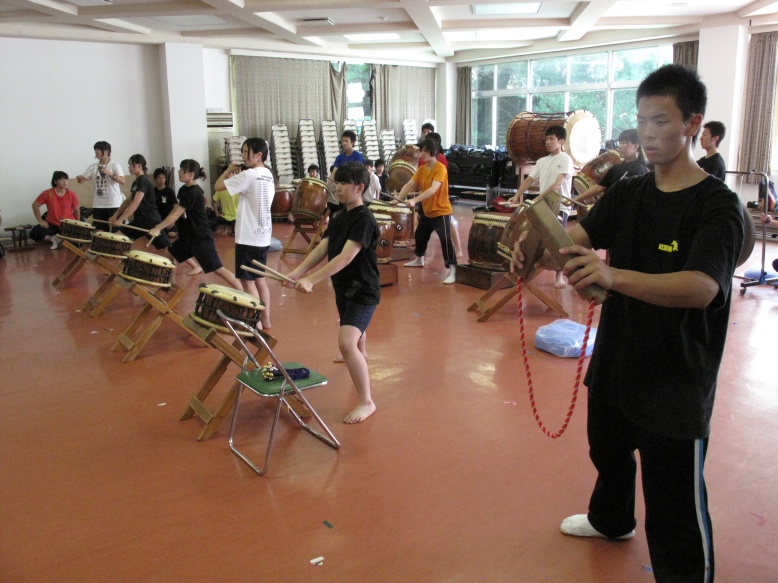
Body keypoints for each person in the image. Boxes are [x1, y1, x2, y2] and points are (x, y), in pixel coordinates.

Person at [512, 64, 743, 583]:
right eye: (642, 120)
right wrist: (537, 249)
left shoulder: (717, 206)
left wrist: (613, 276)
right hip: (617, 359)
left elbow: (702, 287)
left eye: (661, 121)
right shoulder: (630, 192)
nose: (648, 132)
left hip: (676, 378)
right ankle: (611, 520)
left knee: (673, 501)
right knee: (608, 453)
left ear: (692, 124)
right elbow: (575, 240)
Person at [286, 162, 379, 424]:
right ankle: (362, 353)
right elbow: (324, 247)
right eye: (337, 182)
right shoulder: (339, 216)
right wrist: (298, 272)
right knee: (355, 335)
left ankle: (367, 402)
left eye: (343, 183)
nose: (337, 187)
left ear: (359, 187)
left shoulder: (364, 219)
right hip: (344, 286)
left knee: (346, 343)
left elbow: (346, 257)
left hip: (363, 289)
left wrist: (312, 280)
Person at [148, 159, 241, 287]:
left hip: (200, 238)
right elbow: (177, 209)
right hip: (187, 238)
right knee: (167, 255)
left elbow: (177, 213)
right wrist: (168, 222)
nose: (179, 172)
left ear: (191, 174)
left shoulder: (194, 192)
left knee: (218, 270)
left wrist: (158, 228)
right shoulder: (183, 190)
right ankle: (170, 286)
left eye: (182, 170)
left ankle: (243, 293)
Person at [214, 138, 274, 330]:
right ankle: (266, 320)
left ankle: (255, 322)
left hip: (248, 238)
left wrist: (228, 170)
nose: (243, 156)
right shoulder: (268, 174)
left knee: (247, 282)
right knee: (260, 280)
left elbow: (217, 186)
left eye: (246, 152)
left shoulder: (248, 175)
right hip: (263, 237)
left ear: (258, 155)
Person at [508, 125, 574, 287]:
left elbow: (557, 184)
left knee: (556, 242)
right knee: (532, 237)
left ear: (561, 141)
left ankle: (559, 276)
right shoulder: (542, 161)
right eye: (546, 139)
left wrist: (538, 198)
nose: (548, 142)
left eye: (552, 139)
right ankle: (528, 268)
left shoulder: (565, 159)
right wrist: (516, 195)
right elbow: (529, 180)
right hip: (542, 207)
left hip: (559, 206)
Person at [397, 138, 457, 284]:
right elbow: (409, 185)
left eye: (424, 151)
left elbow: (433, 189)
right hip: (427, 210)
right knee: (420, 235)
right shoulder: (422, 169)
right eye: (421, 151)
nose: (421, 153)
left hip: (441, 211)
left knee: (445, 239)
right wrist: (398, 199)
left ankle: (453, 270)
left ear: (433, 152)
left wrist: (414, 200)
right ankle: (419, 259)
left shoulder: (440, 168)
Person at [109, 154, 170, 251]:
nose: (129, 167)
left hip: (150, 222)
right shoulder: (136, 182)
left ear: (139, 165)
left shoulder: (144, 181)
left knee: (168, 250)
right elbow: (128, 201)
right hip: (139, 221)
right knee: (118, 238)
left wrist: (120, 219)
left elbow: (135, 203)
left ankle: (190, 262)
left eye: (131, 164)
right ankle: (127, 259)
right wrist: (115, 215)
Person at [576, 129, 648, 208]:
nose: (619, 146)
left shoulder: (638, 170)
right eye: (619, 143)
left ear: (635, 146)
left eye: (623, 143)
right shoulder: (616, 168)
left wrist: (599, 205)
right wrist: (576, 199)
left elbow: (628, 198)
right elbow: (598, 188)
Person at [76, 141, 126, 224]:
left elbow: (123, 181)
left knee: (115, 228)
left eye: (98, 150)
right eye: (95, 150)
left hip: (114, 204)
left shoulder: (115, 165)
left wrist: (110, 174)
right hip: (98, 204)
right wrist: (80, 179)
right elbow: (82, 180)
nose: (96, 152)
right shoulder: (93, 167)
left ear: (106, 151)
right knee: (99, 229)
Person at [32, 171, 80, 249]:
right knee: (34, 233)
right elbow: (35, 205)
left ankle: (61, 238)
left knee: (76, 244)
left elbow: (76, 210)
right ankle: (53, 239)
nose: (65, 182)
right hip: (52, 224)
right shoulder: (47, 193)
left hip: (67, 224)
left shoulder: (71, 194)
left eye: (66, 179)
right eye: (61, 180)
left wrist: (77, 224)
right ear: (55, 181)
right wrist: (40, 220)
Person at [327, 131, 365, 217]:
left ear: (353, 142)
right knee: (343, 212)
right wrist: (326, 184)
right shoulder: (339, 157)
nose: (344, 143)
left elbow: (357, 175)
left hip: (354, 190)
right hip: (343, 190)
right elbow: (333, 173)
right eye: (343, 141)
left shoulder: (358, 156)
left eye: (346, 141)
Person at [153, 168, 177, 238]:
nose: (162, 180)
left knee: (172, 234)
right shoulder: (153, 191)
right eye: (159, 178)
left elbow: (175, 205)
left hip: (168, 218)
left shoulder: (169, 191)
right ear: (155, 179)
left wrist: (172, 220)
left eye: (163, 178)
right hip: (157, 219)